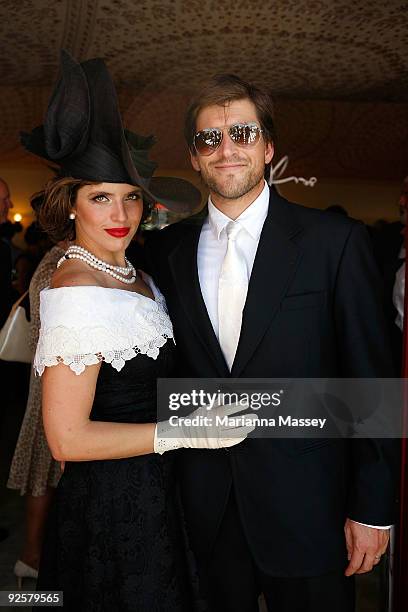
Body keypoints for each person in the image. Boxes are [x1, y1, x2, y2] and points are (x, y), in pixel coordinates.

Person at [145, 74, 398, 612]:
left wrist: (373, 509)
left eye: (242, 132)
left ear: (268, 146)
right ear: (193, 156)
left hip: (312, 506)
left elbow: (371, 381)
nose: (227, 149)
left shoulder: (336, 242)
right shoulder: (165, 251)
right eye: (209, 138)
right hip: (204, 508)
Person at [21, 52, 254, 610]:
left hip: (158, 490)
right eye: (100, 197)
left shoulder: (138, 274)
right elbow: (66, 441)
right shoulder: (75, 288)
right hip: (110, 504)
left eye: (129, 196)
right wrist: (184, 432)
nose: (119, 211)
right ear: (71, 205)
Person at [7, 191, 67, 586]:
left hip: (45, 376)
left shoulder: (53, 258)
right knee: (45, 471)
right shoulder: (61, 261)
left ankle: (33, 557)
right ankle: (33, 556)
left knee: (43, 471)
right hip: (52, 379)